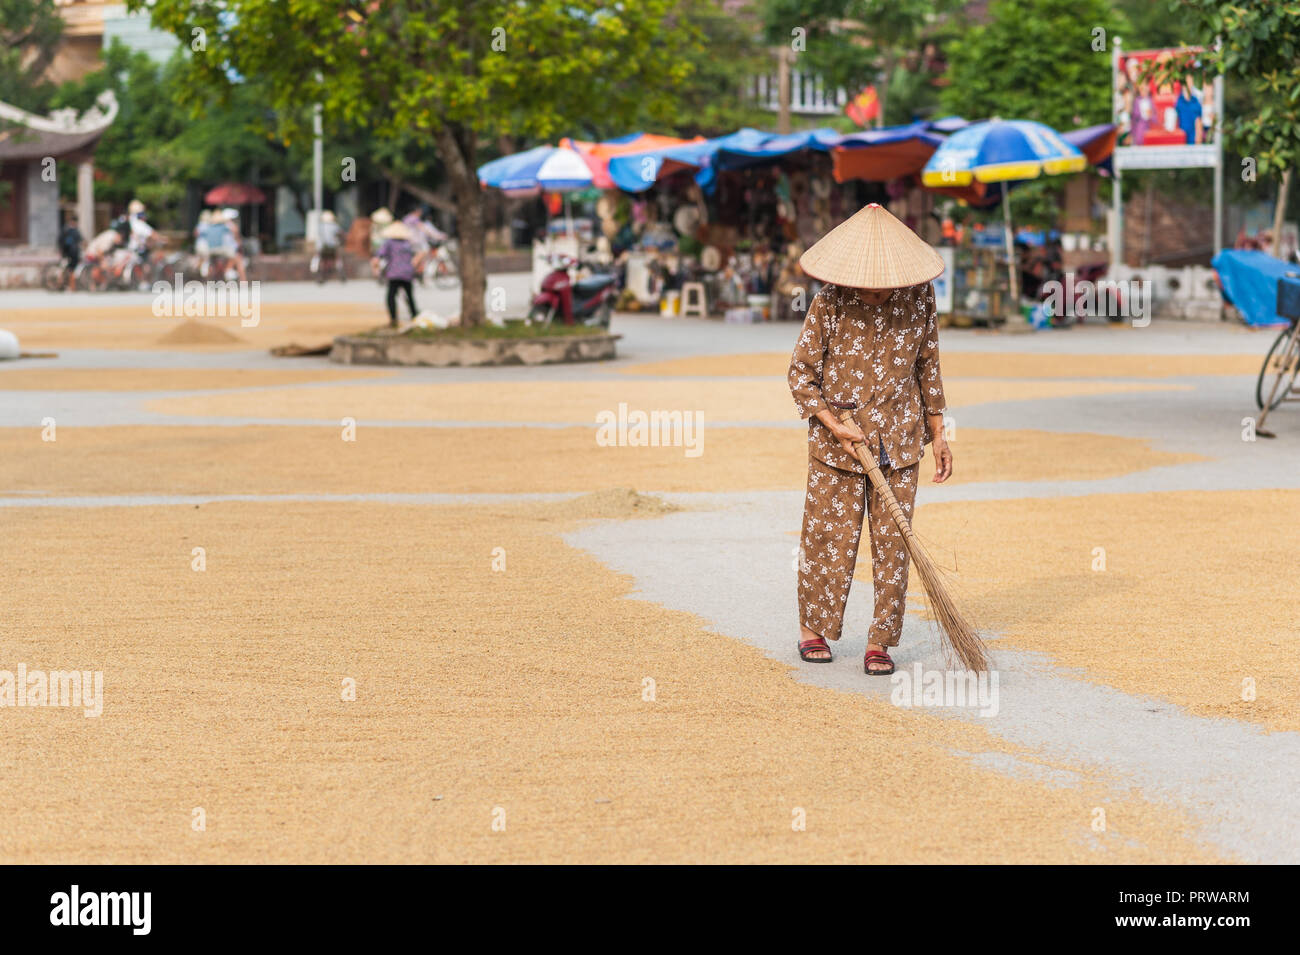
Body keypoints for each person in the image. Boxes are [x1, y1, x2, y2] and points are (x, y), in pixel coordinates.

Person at [787, 202, 952, 675]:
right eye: (868, 284)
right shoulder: (830, 300)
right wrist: (835, 424)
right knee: (827, 539)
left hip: (899, 442)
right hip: (836, 447)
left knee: (894, 545)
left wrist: (939, 434)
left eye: (885, 286)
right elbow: (801, 375)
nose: (876, 292)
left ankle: (881, 640)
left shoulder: (919, 299)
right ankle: (813, 629)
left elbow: (929, 369)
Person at [371, 220, 420, 327]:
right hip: (407, 272)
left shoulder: (389, 243)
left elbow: (378, 257)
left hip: (394, 273)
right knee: (409, 296)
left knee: (391, 296)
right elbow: (419, 254)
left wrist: (375, 268)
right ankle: (415, 315)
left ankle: (393, 319)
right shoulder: (408, 243)